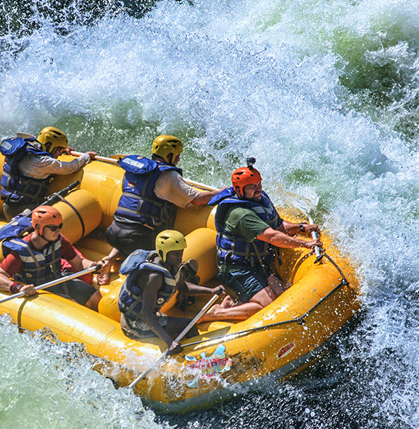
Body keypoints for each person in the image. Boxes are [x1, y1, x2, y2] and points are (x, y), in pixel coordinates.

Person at [201, 160, 322, 322]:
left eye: (259, 184)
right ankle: (216, 312)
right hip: (237, 269)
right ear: (238, 189)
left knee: (282, 295)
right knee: (270, 305)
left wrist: (301, 227)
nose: (258, 189)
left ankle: (234, 303)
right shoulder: (240, 214)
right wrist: (306, 244)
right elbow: (272, 237)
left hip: (258, 263)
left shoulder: (260, 198)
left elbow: (278, 226)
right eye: (252, 187)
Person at [99, 135, 224, 284]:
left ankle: (109, 259)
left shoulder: (134, 169)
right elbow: (197, 200)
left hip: (113, 232)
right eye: (177, 156)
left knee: (131, 230)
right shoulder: (169, 175)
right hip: (137, 239)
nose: (178, 160)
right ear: (169, 155)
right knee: (166, 261)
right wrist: (221, 192)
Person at [118, 230, 223, 354]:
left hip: (148, 316)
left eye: (181, 252)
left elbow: (185, 288)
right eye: (175, 253)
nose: (180, 256)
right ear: (163, 253)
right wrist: (169, 342)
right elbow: (147, 313)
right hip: (134, 324)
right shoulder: (154, 277)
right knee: (188, 325)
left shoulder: (172, 266)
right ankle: (198, 358)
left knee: (185, 325)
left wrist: (211, 290)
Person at [0, 206, 107, 311]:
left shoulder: (60, 240)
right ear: (38, 227)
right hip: (34, 291)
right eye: (53, 228)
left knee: (95, 298)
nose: (58, 231)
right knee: (72, 306)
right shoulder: (20, 252)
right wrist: (18, 288)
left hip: (56, 280)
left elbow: (79, 263)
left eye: (59, 226)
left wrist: (94, 266)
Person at [0, 127, 97, 219]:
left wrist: (60, 149)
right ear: (50, 146)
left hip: (10, 206)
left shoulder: (27, 146)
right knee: (60, 214)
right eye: (59, 150)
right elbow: (69, 167)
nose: (60, 153)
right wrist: (86, 156)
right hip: (21, 211)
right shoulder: (40, 162)